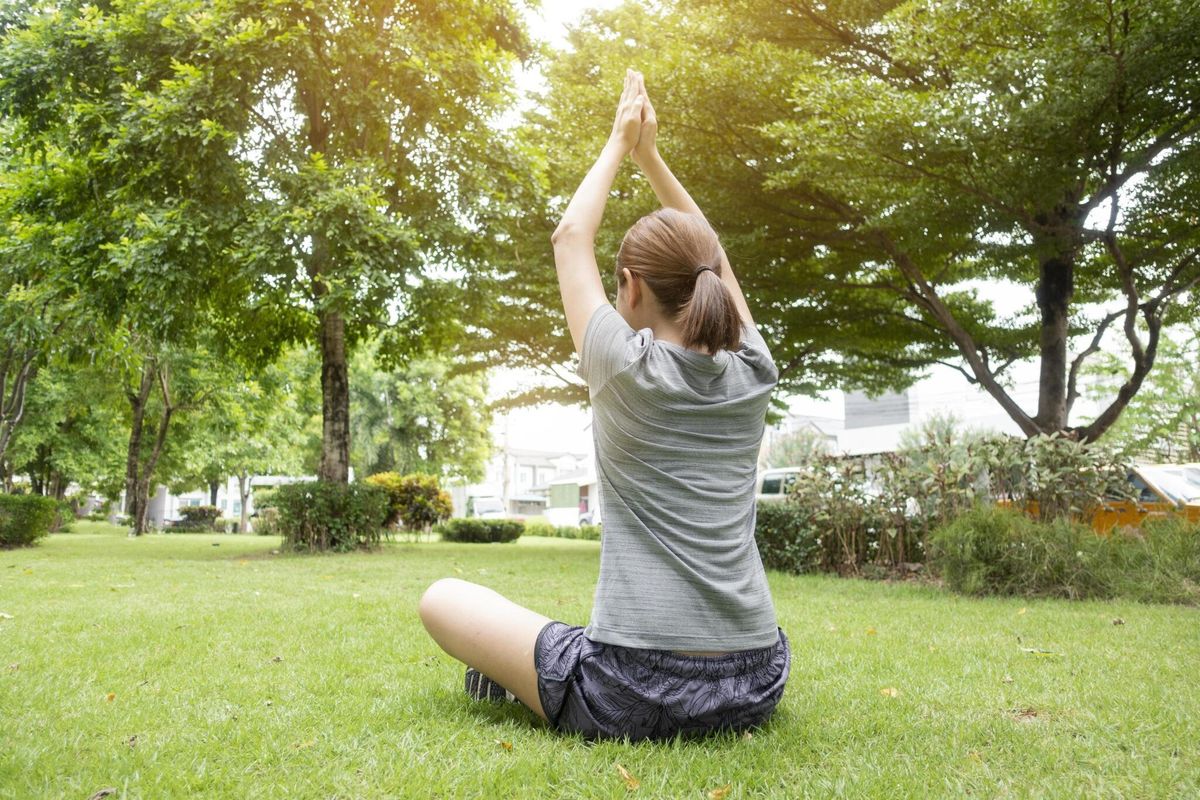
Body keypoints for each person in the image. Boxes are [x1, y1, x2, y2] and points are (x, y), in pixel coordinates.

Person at [418, 68, 789, 742]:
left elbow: (568, 238)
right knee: (557, 636)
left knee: (442, 599)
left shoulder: (624, 366)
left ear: (630, 288)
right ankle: (525, 673)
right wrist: (654, 157)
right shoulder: (754, 371)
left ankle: (519, 678)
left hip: (633, 688)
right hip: (755, 681)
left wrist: (621, 143)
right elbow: (716, 258)